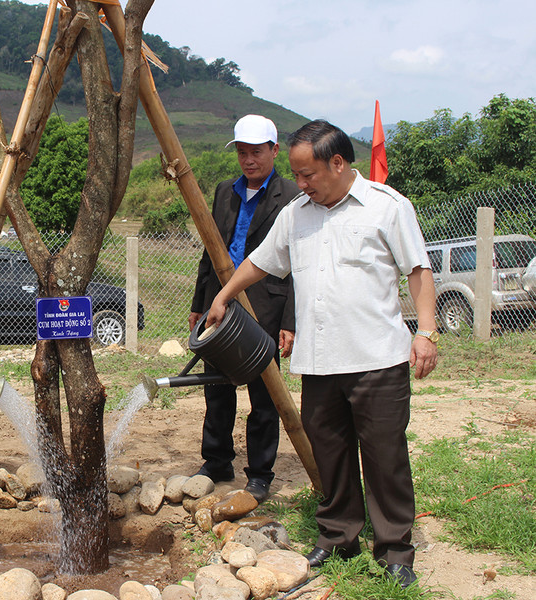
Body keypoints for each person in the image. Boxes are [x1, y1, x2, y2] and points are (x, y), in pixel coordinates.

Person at [206, 120, 438, 589]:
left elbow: (418, 268)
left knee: (384, 458)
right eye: (298, 174)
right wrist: (224, 294)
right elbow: (261, 261)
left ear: (337, 163)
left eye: (308, 174)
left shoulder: (387, 208)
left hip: (377, 360)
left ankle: (394, 551)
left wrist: (427, 332)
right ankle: (338, 537)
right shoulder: (297, 213)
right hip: (319, 362)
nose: (302, 183)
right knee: (330, 455)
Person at [189, 115, 299, 504]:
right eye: (242, 152)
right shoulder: (224, 192)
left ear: (274, 151)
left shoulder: (292, 196)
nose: (248, 160)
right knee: (216, 389)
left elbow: (296, 264)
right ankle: (217, 460)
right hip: (221, 304)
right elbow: (210, 247)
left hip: (267, 305)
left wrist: (289, 322)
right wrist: (199, 304)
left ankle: (260, 473)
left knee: (264, 393)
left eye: (256, 152)